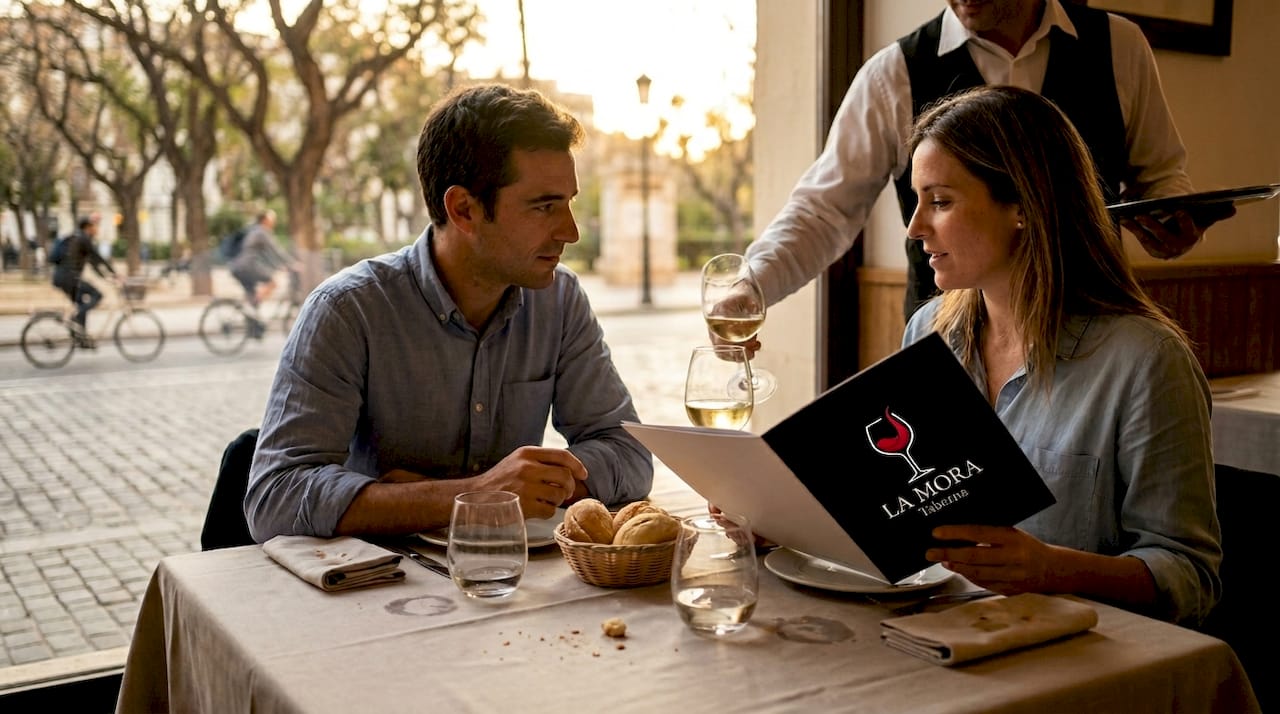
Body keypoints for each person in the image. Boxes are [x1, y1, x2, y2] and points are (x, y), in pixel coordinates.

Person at [244, 83, 654, 541]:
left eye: (570, 202)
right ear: (463, 209)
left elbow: (630, 454)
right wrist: (476, 495)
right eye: (544, 207)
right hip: (373, 591)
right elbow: (275, 497)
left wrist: (526, 486)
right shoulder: (347, 311)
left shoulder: (558, 300)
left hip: (512, 583)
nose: (572, 232)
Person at [901, 84, 1219, 626]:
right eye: (917, 201)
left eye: (940, 201)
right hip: (939, 635)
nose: (915, 228)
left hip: (1080, 666)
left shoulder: (1146, 362)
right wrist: (796, 521)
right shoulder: (927, 332)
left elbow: (1191, 576)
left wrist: (1053, 570)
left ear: (1022, 206)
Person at [745, 0, 1232, 322]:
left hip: (1094, 338)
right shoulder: (892, 73)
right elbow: (823, 211)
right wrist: (750, 287)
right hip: (947, 350)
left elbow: (1163, 177)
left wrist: (1171, 219)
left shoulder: (1119, 47)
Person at [51, 215, 118, 348]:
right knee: (97, 295)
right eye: (95, 226)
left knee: (82, 304)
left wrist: (106, 276)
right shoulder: (83, 239)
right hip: (69, 278)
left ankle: (81, 338)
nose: (96, 229)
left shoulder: (78, 238)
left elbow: (93, 263)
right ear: (88, 227)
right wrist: (114, 274)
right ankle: (75, 321)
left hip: (63, 277)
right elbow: (97, 257)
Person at [228, 209, 293, 320]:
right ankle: (251, 309)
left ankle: (254, 322)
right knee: (273, 282)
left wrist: (279, 265)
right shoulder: (262, 232)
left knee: (252, 297)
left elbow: (267, 254)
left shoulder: (254, 231)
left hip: (239, 266)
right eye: (272, 219)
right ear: (265, 220)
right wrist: (291, 263)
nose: (274, 222)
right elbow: (276, 250)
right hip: (247, 266)